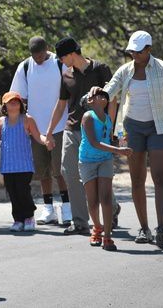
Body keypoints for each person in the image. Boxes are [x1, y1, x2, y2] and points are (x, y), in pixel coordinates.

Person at [89, 31, 163, 247]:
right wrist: (98, 93)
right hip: (133, 128)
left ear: (149, 49)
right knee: (136, 180)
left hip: (160, 126)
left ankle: (161, 228)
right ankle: (144, 228)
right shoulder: (125, 71)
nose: (134, 55)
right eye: (131, 51)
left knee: (159, 177)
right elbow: (110, 91)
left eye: (138, 51)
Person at [46, 36, 121, 235]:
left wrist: (110, 128)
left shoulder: (100, 69)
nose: (61, 62)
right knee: (68, 170)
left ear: (71, 54)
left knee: (98, 173)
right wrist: (49, 132)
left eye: (62, 58)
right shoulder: (66, 76)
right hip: (72, 129)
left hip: (97, 130)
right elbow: (61, 104)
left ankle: (111, 209)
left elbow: (112, 99)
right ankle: (80, 222)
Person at [10, 36, 72, 227]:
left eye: (40, 54)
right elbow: (18, 97)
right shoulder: (26, 67)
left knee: (60, 170)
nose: (37, 58)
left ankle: (67, 207)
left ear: (46, 49)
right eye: (34, 55)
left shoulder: (58, 63)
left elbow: (71, 91)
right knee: (42, 171)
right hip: (36, 128)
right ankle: (49, 209)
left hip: (60, 125)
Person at [0, 91, 46, 231]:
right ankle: (18, 220)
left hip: (24, 165)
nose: (14, 103)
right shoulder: (0, 122)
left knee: (23, 191)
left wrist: (46, 141)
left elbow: (37, 136)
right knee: (12, 192)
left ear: (21, 104)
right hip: (8, 166)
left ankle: (29, 217)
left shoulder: (27, 119)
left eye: (16, 101)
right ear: (4, 105)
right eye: (10, 101)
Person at [79, 92, 132, 251]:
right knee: (93, 200)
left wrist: (121, 143)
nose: (103, 97)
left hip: (105, 160)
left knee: (106, 198)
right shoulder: (88, 117)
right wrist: (117, 150)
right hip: (87, 161)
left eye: (104, 95)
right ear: (90, 100)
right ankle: (96, 228)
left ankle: (107, 236)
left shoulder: (108, 119)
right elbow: (94, 142)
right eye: (98, 95)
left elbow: (109, 140)